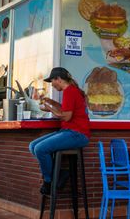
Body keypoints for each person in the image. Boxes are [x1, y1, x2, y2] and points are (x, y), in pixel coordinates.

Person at [28, 67, 90, 195]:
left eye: (52, 81)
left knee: (40, 149)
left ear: (59, 79)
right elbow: (65, 109)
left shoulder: (70, 91)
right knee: (33, 146)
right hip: (69, 131)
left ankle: (49, 181)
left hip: (77, 134)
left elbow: (66, 116)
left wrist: (50, 108)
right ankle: (59, 173)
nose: (52, 84)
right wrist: (50, 102)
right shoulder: (70, 91)